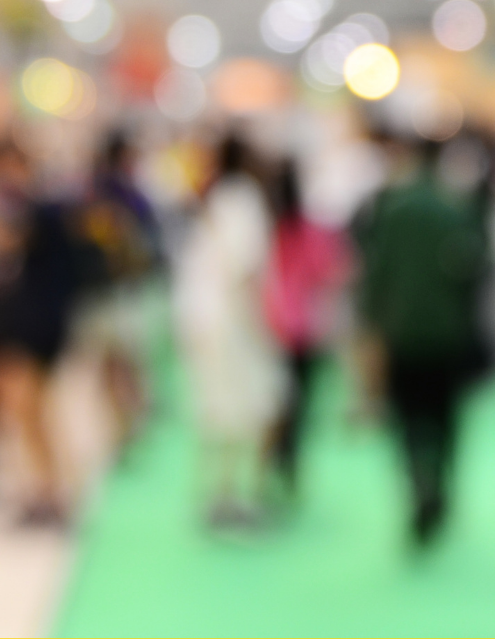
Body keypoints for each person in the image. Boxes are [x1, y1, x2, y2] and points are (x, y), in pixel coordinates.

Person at [354, 133, 490, 548]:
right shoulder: (456, 209)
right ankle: (440, 483)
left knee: (408, 416)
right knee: (445, 416)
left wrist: (372, 324)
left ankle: (418, 481)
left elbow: (375, 274)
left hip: (402, 332)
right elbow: (474, 272)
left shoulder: (392, 209)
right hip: (446, 333)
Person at [0, 141, 101, 525]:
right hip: (45, 319)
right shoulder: (54, 206)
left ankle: (51, 491)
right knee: (37, 412)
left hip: (32, 323)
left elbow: (1, 244)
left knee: (29, 411)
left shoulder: (30, 208)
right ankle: (50, 488)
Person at [176, 134, 283, 530]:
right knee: (253, 406)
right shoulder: (243, 199)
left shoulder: (218, 198)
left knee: (221, 409)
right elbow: (247, 269)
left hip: (210, 319)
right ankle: (243, 495)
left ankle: (222, 492)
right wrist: (264, 324)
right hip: (236, 323)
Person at [77, 130, 166, 459]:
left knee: (117, 362)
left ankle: (125, 423)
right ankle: (123, 424)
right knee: (118, 362)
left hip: (113, 291)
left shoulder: (103, 192)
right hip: (112, 291)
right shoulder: (115, 195)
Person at [263, 160, 347, 497]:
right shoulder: (309, 231)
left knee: (272, 399)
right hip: (303, 328)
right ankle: (288, 459)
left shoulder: (268, 229)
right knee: (298, 399)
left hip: (270, 326)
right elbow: (334, 272)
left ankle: (273, 457)